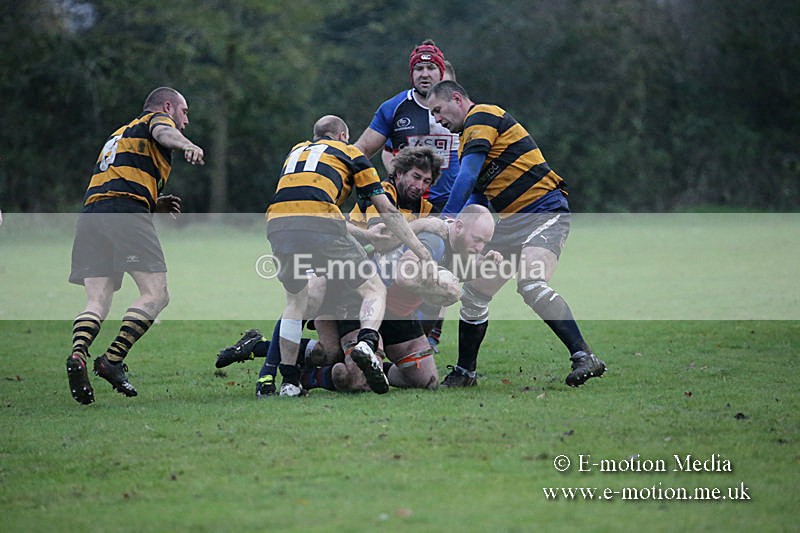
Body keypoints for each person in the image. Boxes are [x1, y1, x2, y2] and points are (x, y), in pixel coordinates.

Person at [425, 80, 606, 388]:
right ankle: (465, 373)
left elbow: (467, 177)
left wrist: (446, 220)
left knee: (531, 283)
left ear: (457, 98)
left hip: (545, 210)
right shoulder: (468, 142)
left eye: (438, 110)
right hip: (512, 223)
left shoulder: (481, 116)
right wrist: (462, 232)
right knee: (474, 294)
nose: (437, 120)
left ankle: (584, 356)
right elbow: (478, 199)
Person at [265, 115, 432, 397]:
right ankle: (367, 341)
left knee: (296, 301)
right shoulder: (352, 152)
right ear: (343, 135)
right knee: (373, 288)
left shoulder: (296, 151)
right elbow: (387, 211)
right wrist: (421, 250)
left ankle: (290, 382)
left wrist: (366, 236)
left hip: (277, 224)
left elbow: (306, 200)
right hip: (321, 224)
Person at [66, 87, 204, 405]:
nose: (185, 122)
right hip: (124, 215)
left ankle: (78, 355)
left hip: (91, 215)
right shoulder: (156, 120)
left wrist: (153, 202)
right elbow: (164, 131)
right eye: (184, 113)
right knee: (156, 294)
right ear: (168, 107)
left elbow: (118, 181)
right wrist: (187, 146)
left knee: (97, 300)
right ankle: (111, 361)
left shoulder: (120, 133)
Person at [354, 39, 459, 213]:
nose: (424, 74)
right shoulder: (393, 108)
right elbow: (360, 151)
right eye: (419, 68)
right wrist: (372, 189)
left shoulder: (459, 107)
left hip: (450, 203)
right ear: (411, 73)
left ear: (441, 73)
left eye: (431, 68)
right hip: (406, 204)